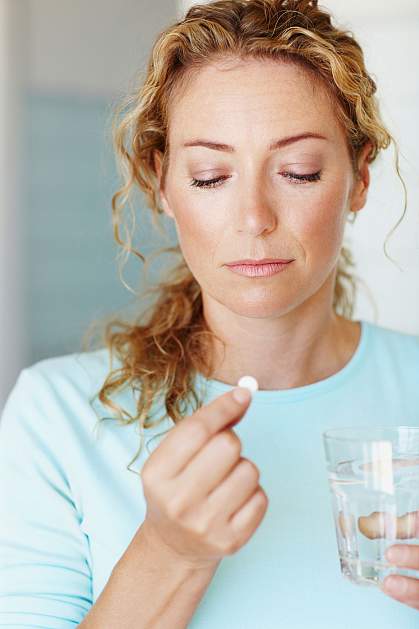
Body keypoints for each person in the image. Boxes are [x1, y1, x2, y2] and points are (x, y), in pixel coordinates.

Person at [1, 0, 418, 627]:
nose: (254, 218)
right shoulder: (55, 416)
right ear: (161, 184)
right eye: (209, 177)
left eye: (298, 171)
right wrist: (170, 553)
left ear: (359, 178)